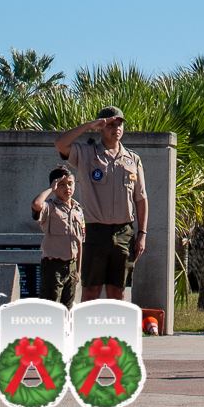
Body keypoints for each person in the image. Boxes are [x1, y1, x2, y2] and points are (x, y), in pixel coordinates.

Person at [54, 107, 148, 301]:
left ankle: (115, 332)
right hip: (95, 231)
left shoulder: (133, 159)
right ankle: (87, 331)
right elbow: (60, 144)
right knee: (91, 289)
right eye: (111, 124)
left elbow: (141, 198)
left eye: (119, 123)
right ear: (101, 127)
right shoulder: (87, 153)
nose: (116, 128)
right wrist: (89, 126)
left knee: (118, 290)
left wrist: (142, 234)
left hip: (124, 231)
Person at [30, 166, 85, 306]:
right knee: (51, 306)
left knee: (68, 307)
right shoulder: (50, 207)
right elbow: (36, 204)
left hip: (72, 266)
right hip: (53, 266)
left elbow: (79, 243)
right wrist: (51, 189)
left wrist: (78, 271)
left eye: (70, 183)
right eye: (62, 185)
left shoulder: (78, 209)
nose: (67, 187)